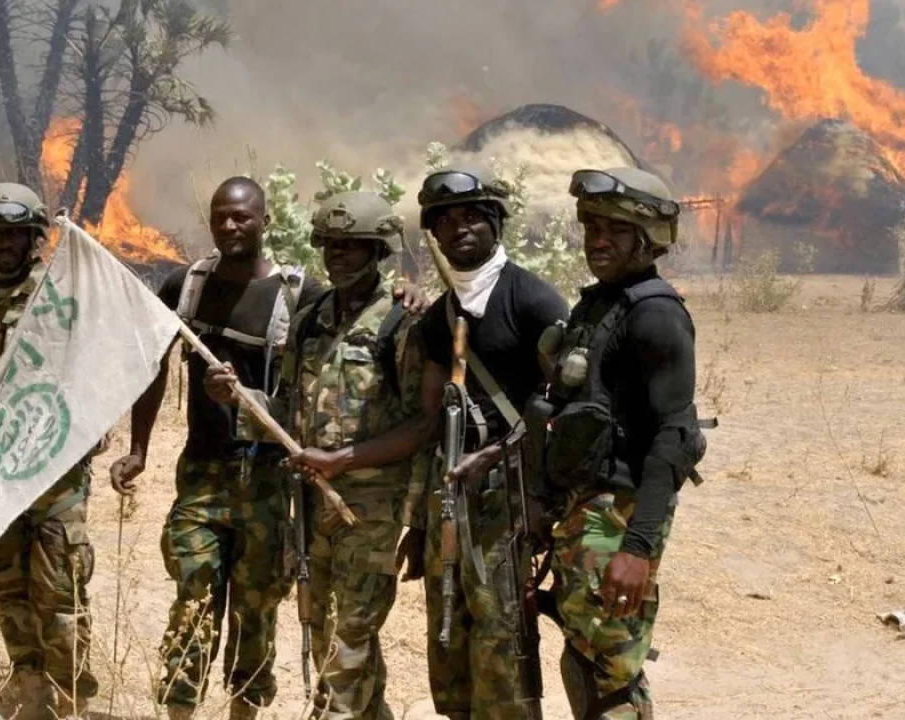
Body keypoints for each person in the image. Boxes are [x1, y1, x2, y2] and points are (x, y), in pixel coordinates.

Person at [110, 177, 428, 720]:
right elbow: (160, 368)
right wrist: (151, 442)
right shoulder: (200, 289)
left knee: (270, 611)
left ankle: (251, 707)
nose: (230, 225)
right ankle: (181, 706)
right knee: (200, 597)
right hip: (221, 480)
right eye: (220, 215)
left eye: (242, 216)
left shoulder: (318, 302)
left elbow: (416, 414)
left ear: (265, 221)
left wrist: (409, 290)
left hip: (293, 487)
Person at [206, 191, 430, 720]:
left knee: (348, 640)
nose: (338, 256)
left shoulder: (403, 321)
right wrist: (238, 397)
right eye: (330, 245)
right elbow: (286, 409)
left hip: (368, 512)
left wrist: (345, 461)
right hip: (311, 508)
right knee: (325, 632)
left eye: (352, 246)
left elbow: (421, 425)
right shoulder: (311, 318)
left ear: (377, 251)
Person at [532, 167, 705, 720]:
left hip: (619, 519)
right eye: (592, 226)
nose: (598, 240)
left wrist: (637, 548)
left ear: (648, 238)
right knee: (585, 657)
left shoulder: (655, 314)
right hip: (583, 512)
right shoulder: (599, 306)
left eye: (616, 229)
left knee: (610, 674)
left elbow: (676, 436)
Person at [408, 166, 572, 720]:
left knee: (503, 638)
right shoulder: (439, 317)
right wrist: (420, 523)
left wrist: (533, 493)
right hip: (451, 501)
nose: (460, 228)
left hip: (509, 496)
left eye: (473, 216)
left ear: (496, 223)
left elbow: (568, 410)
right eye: (446, 220)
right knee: (449, 638)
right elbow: (430, 419)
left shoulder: (532, 300)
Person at [0, 182, 101, 720]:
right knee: (7, 588)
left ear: (33, 237)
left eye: (15, 234)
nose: (4, 244)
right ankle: (32, 694)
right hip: (0, 477)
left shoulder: (56, 297)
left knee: (60, 598)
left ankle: (69, 703)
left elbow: (91, 371)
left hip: (54, 478)